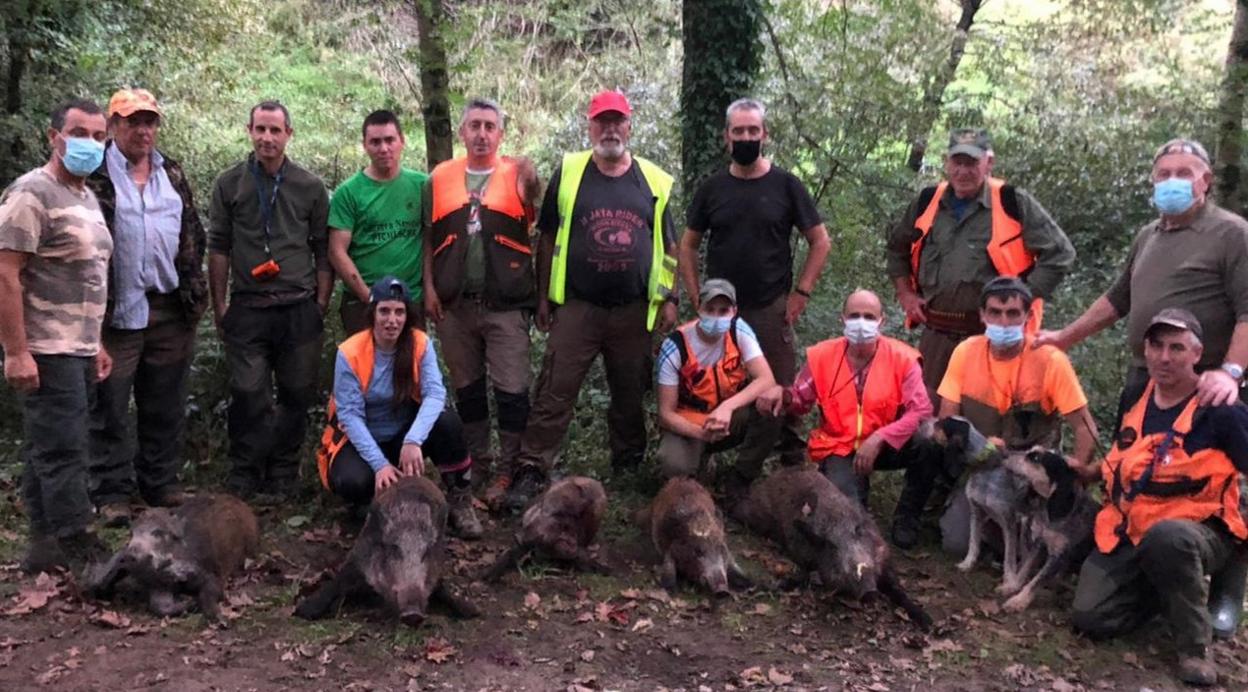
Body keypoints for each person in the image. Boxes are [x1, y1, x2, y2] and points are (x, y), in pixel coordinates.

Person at [1035, 137, 1248, 638]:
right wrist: (1065, 337)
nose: (1172, 180)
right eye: (1163, 172)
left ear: (1206, 180)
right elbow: (1118, 299)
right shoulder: (1148, 234)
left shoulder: (1232, 233)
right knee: (1138, 476)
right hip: (1147, 377)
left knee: (1222, 486)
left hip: (1212, 383)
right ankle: (1140, 573)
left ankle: (1226, 587)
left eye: (1184, 171)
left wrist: (1231, 374)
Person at [503, 90, 679, 511]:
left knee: (629, 391)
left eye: (618, 121)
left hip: (635, 310)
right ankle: (531, 468)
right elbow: (546, 236)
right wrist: (543, 295)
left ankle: (629, 468)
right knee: (555, 390)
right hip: (577, 307)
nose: (610, 129)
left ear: (630, 126)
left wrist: (670, 298)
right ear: (590, 126)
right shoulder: (569, 171)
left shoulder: (654, 180)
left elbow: (669, 247)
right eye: (602, 121)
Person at [1071, 309, 1248, 687]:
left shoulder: (1222, 410)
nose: (1164, 357)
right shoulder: (1135, 396)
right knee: (1091, 618)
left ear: (1197, 355)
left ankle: (1194, 649)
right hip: (1131, 525)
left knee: (1169, 539)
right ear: (1146, 349)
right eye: (1157, 345)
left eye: (1177, 348)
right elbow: (1124, 460)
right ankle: (1167, 592)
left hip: (1199, 532)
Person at [680, 97, 831, 466]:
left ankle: (778, 463)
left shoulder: (786, 185)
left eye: (752, 130)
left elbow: (820, 240)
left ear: (764, 134)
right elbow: (687, 244)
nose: (746, 137)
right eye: (738, 131)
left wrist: (802, 293)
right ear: (726, 138)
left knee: (779, 390)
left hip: (768, 306)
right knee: (713, 384)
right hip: (719, 311)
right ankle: (703, 450)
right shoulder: (712, 189)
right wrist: (695, 293)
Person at [0, 98, 113, 572]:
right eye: (79, 133)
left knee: (49, 447)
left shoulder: (85, 196)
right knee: (65, 448)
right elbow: (6, 274)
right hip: (45, 345)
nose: (89, 143)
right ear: (54, 137)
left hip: (77, 344)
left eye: (98, 136)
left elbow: (87, 273)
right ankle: (77, 544)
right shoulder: (31, 193)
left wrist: (97, 342)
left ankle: (43, 548)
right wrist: (17, 351)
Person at [85, 88, 207, 527]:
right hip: (116, 311)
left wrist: (195, 293)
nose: (142, 130)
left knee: (165, 400)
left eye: (149, 121)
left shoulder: (170, 173)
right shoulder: (95, 174)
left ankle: (159, 481)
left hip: (169, 306)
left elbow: (192, 231)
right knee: (110, 403)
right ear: (114, 125)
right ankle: (111, 490)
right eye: (132, 121)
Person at [886, 128, 1075, 399]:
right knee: (929, 420)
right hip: (937, 335)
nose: (963, 171)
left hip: (994, 337)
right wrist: (906, 294)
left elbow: (1060, 254)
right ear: (947, 162)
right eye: (957, 162)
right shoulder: (928, 201)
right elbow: (897, 249)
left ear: (989, 163)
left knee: (988, 420)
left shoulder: (1012, 201)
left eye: (972, 163)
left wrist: (1021, 300)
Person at [208, 100, 331, 498]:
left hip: (298, 306)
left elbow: (323, 249)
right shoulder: (230, 184)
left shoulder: (309, 186)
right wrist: (220, 306)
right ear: (249, 131)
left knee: (297, 392)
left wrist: (321, 303)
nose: (267, 138)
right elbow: (219, 247)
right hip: (248, 306)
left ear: (288, 134)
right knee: (248, 391)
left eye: (275, 130)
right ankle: (246, 470)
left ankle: (283, 472)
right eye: (260, 129)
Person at [422, 98, 540, 508]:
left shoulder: (520, 175)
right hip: (454, 305)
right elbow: (428, 239)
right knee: (467, 390)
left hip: (506, 303)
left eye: (490, 126)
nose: (482, 133)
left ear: (501, 133)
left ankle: (509, 470)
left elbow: (541, 233)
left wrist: (541, 297)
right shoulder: (439, 177)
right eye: (474, 125)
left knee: (512, 391)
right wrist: (430, 289)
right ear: (462, 132)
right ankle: (477, 464)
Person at [757, 289, 939, 548]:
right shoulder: (823, 356)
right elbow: (800, 400)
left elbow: (920, 410)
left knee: (930, 438)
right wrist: (781, 395)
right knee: (850, 521)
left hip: (887, 444)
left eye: (868, 316)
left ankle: (907, 517)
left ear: (881, 321)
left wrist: (880, 438)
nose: (861, 322)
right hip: (841, 446)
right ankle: (853, 499)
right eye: (854, 315)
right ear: (843, 320)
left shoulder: (903, 358)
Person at [932, 277, 1097, 554]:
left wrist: (1073, 479)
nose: (1004, 322)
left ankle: (1026, 533)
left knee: (1040, 542)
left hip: (1031, 469)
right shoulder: (965, 352)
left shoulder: (1049, 360)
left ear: (1028, 316)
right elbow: (946, 419)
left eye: (1013, 314)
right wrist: (972, 451)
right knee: (955, 544)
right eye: (995, 313)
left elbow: (1086, 428)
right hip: (983, 463)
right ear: (982, 315)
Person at [315, 277, 482, 538]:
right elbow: (350, 417)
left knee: (446, 422)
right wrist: (379, 464)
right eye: (384, 311)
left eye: (399, 312)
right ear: (373, 314)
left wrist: (413, 439)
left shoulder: (419, 344)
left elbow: (435, 394)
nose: (392, 320)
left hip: (403, 438)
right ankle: (366, 505)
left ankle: (460, 501)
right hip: (361, 440)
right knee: (352, 481)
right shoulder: (350, 353)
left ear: (407, 315)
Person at [654, 279, 776, 488]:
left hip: (729, 418)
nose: (717, 317)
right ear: (698, 308)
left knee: (773, 404)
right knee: (674, 465)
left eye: (723, 310)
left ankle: (741, 478)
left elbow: (766, 379)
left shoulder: (739, 330)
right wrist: (702, 434)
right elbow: (666, 414)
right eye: (710, 310)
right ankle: (696, 465)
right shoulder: (675, 347)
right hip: (690, 423)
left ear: (734, 311)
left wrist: (727, 408)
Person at [328, 110, 428, 335]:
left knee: (409, 367)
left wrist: (430, 291)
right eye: (375, 142)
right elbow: (336, 251)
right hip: (363, 301)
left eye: (389, 140)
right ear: (364, 145)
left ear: (402, 141)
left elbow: (431, 241)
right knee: (364, 368)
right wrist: (369, 297)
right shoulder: (349, 192)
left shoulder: (422, 186)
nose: (384, 149)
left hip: (410, 300)